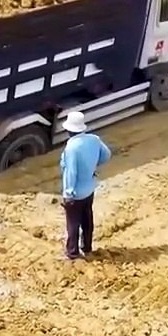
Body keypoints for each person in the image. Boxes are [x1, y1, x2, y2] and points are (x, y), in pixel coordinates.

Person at [59, 110, 111, 260]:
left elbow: (71, 173)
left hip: (76, 194)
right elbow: (106, 155)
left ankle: (72, 253)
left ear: (69, 130)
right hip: (90, 189)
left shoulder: (71, 148)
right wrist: (92, 168)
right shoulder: (94, 139)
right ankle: (87, 247)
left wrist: (69, 194)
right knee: (87, 218)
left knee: (73, 224)